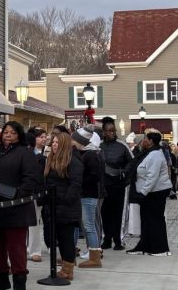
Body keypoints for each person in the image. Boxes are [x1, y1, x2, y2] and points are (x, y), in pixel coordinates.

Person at [0, 121, 41, 290]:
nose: (8, 135)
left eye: (12, 133)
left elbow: (31, 180)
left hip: (16, 209)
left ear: (19, 135)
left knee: (16, 249)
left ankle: (19, 284)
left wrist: (15, 194)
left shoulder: (25, 153)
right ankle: (1, 280)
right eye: (5, 132)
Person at [41, 131, 83, 280]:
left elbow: (75, 184)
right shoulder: (50, 160)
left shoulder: (73, 161)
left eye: (57, 143)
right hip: (53, 207)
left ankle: (68, 270)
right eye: (53, 142)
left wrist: (65, 200)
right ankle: (66, 266)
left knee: (66, 239)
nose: (54, 145)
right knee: (59, 238)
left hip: (66, 208)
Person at [130, 129, 173, 256]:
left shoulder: (155, 155)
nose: (143, 141)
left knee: (156, 220)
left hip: (156, 192)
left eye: (145, 139)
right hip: (149, 192)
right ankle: (144, 246)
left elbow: (152, 176)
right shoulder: (147, 153)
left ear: (151, 141)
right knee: (146, 220)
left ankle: (160, 249)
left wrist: (143, 192)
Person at [71, 126, 104, 269]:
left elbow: (94, 176)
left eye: (73, 139)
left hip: (88, 195)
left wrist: (79, 182)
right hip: (83, 194)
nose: (71, 141)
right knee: (82, 225)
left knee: (89, 226)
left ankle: (95, 257)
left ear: (80, 141)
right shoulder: (82, 153)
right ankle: (71, 256)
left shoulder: (90, 154)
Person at [99, 119, 133, 250]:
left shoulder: (122, 145)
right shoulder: (99, 146)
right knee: (104, 213)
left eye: (113, 131)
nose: (112, 133)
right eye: (109, 131)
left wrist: (124, 173)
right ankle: (106, 239)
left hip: (119, 185)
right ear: (104, 132)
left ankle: (118, 240)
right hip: (104, 186)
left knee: (119, 213)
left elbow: (132, 162)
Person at [26, 127, 47, 262]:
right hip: (24, 192)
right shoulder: (25, 154)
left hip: (37, 193)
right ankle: (24, 248)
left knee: (35, 222)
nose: (44, 139)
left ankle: (34, 250)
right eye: (40, 137)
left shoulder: (43, 155)